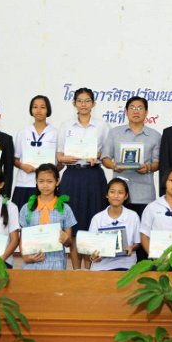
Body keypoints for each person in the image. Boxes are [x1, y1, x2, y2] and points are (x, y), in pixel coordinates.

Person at [101, 95, 161, 260]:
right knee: (120, 232)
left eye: (140, 108)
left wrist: (148, 167)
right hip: (119, 194)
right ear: (126, 112)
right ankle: (118, 267)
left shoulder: (155, 135)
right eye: (132, 108)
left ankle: (143, 268)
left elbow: (158, 162)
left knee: (143, 234)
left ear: (146, 112)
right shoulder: (114, 133)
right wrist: (115, 166)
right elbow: (105, 158)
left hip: (144, 193)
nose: (136, 111)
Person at [56, 87, 109, 236]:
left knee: (94, 215)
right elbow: (59, 155)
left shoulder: (102, 126)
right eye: (79, 101)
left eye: (87, 101)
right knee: (72, 219)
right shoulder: (66, 125)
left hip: (93, 175)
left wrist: (97, 156)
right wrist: (65, 158)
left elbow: (107, 152)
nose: (83, 104)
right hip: (72, 175)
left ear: (93, 104)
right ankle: (73, 252)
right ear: (74, 104)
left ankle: (92, 251)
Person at [19, 164, 79, 270]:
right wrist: (26, 258)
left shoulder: (65, 209)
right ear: (36, 182)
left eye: (49, 181)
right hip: (31, 265)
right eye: (41, 181)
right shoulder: (27, 208)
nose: (45, 185)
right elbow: (23, 238)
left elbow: (69, 242)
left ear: (57, 182)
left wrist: (66, 239)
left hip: (56, 264)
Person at [12, 95, 59, 209]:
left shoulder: (55, 133)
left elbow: (61, 160)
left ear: (48, 110)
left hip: (47, 185)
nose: (38, 110)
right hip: (24, 183)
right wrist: (22, 166)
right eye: (35, 107)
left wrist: (51, 172)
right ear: (31, 110)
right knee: (22, 216)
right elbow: (15, 159)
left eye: (42, 107)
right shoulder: (23, 132)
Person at [88, 178, 141, 271]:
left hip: (126, 264)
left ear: (126, 196)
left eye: (120, 192)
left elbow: (137, 243)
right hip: (101, 265)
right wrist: (94, 256)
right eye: (112, 192)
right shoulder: (97, 218)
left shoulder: (133, 216)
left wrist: (131, 248)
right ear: (106, 194)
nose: (116, 196)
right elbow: (92, 246)